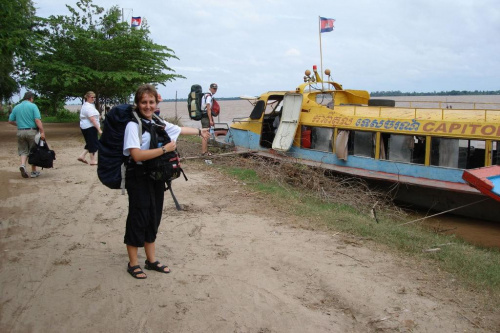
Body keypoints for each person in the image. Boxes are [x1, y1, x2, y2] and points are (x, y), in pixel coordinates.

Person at [123, 84, 209, 279]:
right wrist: (164, 150)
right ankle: (133, 263)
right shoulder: (132, 126)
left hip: (155, 177)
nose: (147, 106)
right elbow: (136, 155)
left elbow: (179, 129)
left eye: (151, 102)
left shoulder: (157, 121)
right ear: (137, 103)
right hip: (137, 177)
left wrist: (200, 132)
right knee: (138, 217)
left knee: (154, 216)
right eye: (144, 102)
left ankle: (151, 260)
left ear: (156, 103)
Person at [8, 92, 46, 178]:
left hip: (20, 131)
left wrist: (19, 124)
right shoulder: (33, 106)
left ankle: (23, 165)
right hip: (32, 131)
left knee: (23, 150)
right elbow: (37, 120)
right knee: (33, 150)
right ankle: (33, 171)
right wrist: (42, 131)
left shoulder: (16, 107)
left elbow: (10, 120)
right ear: (31, 98)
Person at [77, 91, 102, 165]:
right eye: (92, 97)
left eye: (94, 97)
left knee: (90, 142)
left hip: (87, 126)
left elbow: (94, 117)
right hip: (89, 127)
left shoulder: (89, 105)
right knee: (93, 143)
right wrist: (99, 129)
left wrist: (98, 117)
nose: (93, 99)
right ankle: (93, 160)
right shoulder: (87, 106)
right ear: (87, 97)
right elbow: (92, 119)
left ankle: (82, 155)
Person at [200, 83, 218, 156]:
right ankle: (204, 152)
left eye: (216, 89)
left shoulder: (205, 95)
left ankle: (205, 151)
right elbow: (208, 109)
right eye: (213, 88)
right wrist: (210, 120)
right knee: (205, 134)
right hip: (205, 117)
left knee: (205, 134)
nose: (215, 90)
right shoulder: (208, 97)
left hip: (204, 116)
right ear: (210, 88)